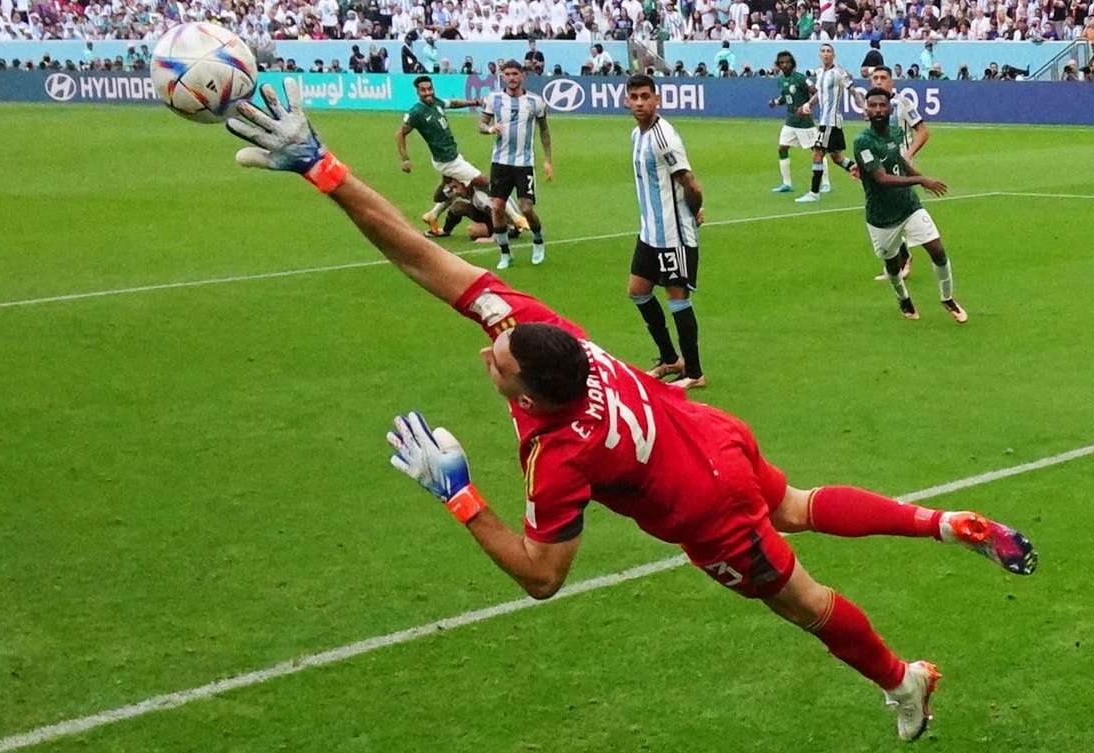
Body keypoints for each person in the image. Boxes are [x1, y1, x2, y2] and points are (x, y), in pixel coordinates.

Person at [222, 78, 1037, 743]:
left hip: (708, 509)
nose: (488, 350)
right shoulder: (547, 332)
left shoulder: (556, 452)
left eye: (497, 361)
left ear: (530, 394)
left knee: (810, 603)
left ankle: (905, 680)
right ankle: (943, 522)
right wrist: (324, 169)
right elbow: (417, 251)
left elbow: (544, 577)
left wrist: (460, 495)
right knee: (793, 503)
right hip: (713, 437)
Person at [854, 88, 967, 323]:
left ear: (889, 108)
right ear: (866, 110)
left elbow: (900, 164)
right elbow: (882, 179)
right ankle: (903, 298)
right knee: (893, 265)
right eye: (872, 106)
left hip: (909, 206)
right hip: (882, 216)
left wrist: (920, 178)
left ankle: (948, 298)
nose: (877, 110)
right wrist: (921, 179)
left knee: (937, 249)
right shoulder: (862, 142)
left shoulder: (895, 133)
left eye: (881, 105)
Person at [626, 75, 707, 390]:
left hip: (673, 235)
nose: (640, 103)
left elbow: (690, 182)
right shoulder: (637, 135)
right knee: (637, 291)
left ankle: (694, 372)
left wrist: (693, 209)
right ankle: (670, 358)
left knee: (677, 298)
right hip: (650, 232)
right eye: (634, 97)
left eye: (645, 96)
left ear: (656, 99)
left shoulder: (664, 137)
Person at [396, 76, 529, 237]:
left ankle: (432, 215)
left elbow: (454, 103)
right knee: (485, 182)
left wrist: (475, 102)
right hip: (448, 161)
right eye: (423, 90)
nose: (427, 92)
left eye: (429, 89)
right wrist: (405, 159)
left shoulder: (436, 103)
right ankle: (516, 218)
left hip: (451, 157)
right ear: (417, 92)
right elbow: (400, 134)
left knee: (453, 190)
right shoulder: (416, 112)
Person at [479, 60, 553, 268]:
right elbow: (481, 124)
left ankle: (538, 240)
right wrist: (490, 129)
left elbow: (544, 130)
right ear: (503, 76)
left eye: (515, 74)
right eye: (508, 74)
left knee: (526, 208)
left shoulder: (535, 102)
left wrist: (548, 160)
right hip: (500, 162)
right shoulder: (494, 99)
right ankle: (505, 253)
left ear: (522, 76)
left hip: (524, 163)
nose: (511, 78)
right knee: (497, 207)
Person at [868, 64, 929, 282]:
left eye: (883, 77)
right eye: (875, 77)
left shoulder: (902, 103)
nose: (878, 81)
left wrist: (909, 154)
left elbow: (922, 131)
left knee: (897, 213)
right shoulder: (874, 106)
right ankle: (901, 258)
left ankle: (904, 259)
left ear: (891, 81)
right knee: (886, 215)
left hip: (900, 169)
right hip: (879, 169)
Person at [798, 43, 863, 204]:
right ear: (819, 55)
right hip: (825, 121)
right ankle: (866, 175)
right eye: (823, 51)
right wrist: (808, 104)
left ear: (834, 55)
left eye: (829, 51)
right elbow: (820, 94)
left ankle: (814, 192)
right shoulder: (820, 72)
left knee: (818, 153)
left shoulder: (839, 72)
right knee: (837, 158)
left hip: (830, 121)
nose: (826, 54)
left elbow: (854, 91)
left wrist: (864, 107)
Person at [768, 50, 815, 195]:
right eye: (781, 63)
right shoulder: (781, 80)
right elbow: (785, 97)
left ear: (792, 64)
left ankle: (825, 184)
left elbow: (815, 91)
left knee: (817, 151)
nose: (784, 65)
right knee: (782, 148)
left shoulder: (800, 78)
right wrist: (776, 102)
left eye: (787, 62)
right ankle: (787, 184)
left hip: (804, 122)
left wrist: (808, 106)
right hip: (790, 121)